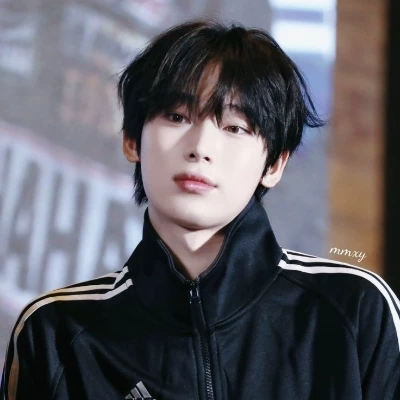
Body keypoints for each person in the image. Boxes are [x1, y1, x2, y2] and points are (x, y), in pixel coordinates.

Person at [1, 19, 399, 400]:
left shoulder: (355, 310)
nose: (200, 148)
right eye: (177, 117)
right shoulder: (55, 332)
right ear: (132, 141)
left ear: (275, 164)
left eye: (235, 127)